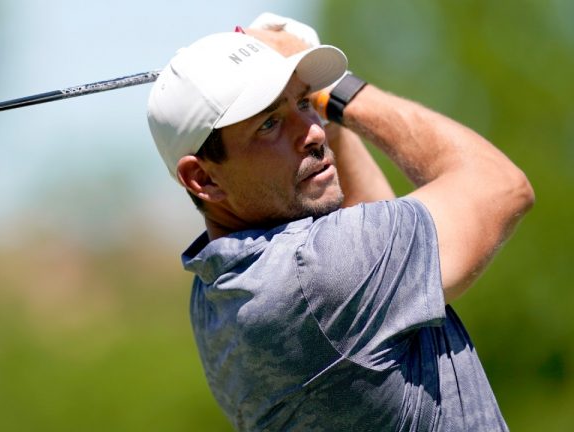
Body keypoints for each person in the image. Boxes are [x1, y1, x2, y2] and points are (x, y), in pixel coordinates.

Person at [146, 12, 534, 432]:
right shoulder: (314, 276)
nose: (313, 133)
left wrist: (312, 103)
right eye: (269, 124)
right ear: (202, 178)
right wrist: (339, 92)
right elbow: (500, 186)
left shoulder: (214, 293)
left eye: (303, 103)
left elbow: (389, 249)